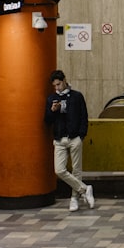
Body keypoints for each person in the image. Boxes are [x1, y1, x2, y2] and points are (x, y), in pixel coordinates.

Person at [44, 69, 95, 211]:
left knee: (76, 170)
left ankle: (74, 199)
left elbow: (83, 117)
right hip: (59, 139)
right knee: (59, 170)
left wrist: (81, 135)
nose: (57, 88)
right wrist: (52, 111)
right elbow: (47, 121)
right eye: (55, 86)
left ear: (65, 80)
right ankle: (84, 189)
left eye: (59, 84)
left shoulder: (76, 97)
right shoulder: (51, 99)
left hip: (75, 138)